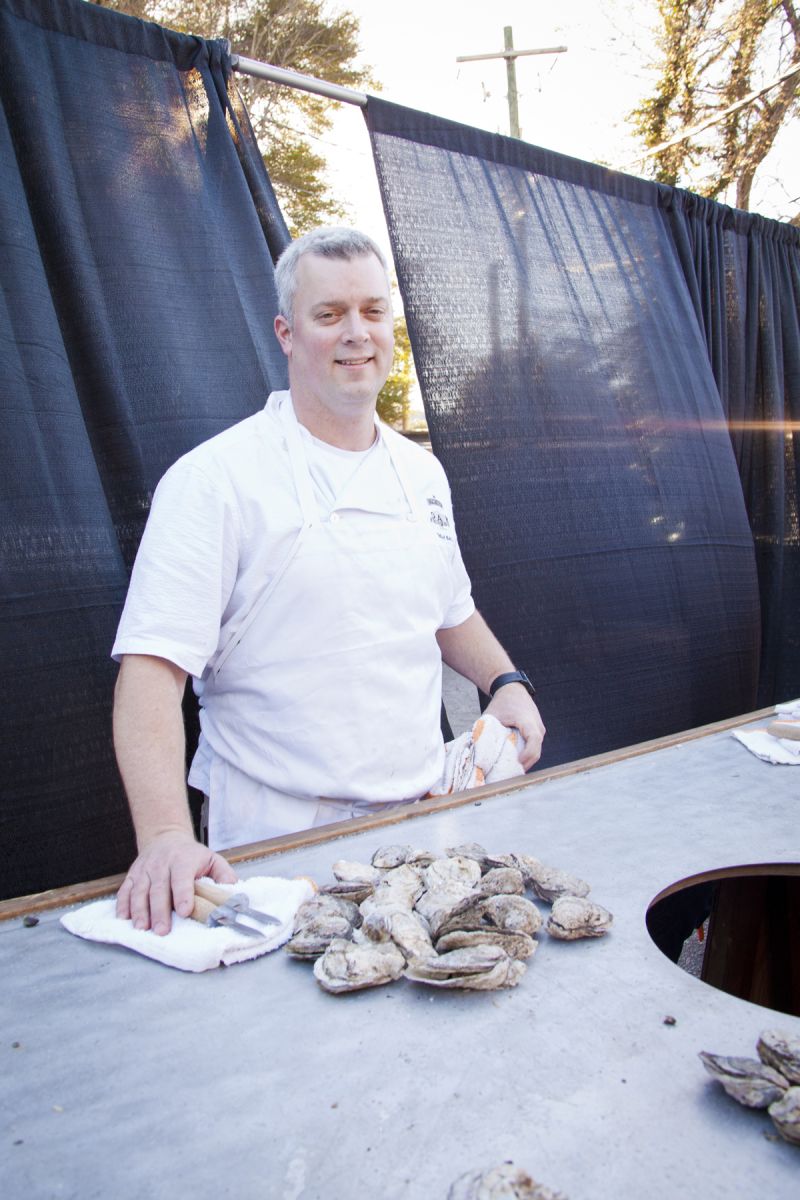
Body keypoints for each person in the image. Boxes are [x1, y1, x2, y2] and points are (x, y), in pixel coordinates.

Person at [112, 227, 545, 934]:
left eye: (373, 312)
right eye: (329, 315)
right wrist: (163, 838)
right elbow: (151, 673)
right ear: (287, 332)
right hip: (275, 844)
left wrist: (507, 682)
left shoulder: (421, 473)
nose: (357, 334)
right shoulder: (215, 481)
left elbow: (448, 610)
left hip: (421, 821)